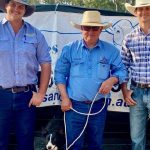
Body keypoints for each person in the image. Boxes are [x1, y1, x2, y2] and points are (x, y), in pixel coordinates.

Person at [55, 10, 127, 150]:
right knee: (74, 144)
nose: (91, 31)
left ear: (101, 29)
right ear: (81, 29)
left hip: (98, 106)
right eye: (87, 27)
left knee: (95, 144)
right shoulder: (69, 49)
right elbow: (59, 74)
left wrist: (112, 79)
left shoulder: (111, 51)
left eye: (95, 28)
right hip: (73, 106)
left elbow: (122, 70)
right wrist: (64, 98)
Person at [0, 0, 51, 150]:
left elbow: (46, 64)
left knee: (26, 142)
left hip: (27, 97)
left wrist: (41, 93)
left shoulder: (36, 34)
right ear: (6, 6)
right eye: (13, 4)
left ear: (25, 10)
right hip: (1, 95)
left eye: (21, 6)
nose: (17, 8)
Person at [121, 0, 150, 149]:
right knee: (137, 138)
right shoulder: (129, 38)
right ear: (135, 12)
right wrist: (125, 91)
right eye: (140, 9)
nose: (143, 12)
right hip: (136, 92)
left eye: (147, 8)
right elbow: (123, 67)